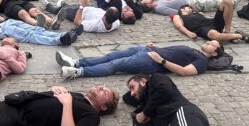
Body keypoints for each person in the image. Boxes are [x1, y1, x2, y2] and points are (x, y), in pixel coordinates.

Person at [57, 40, 225, 79]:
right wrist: (155, 46)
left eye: (212, 44)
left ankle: (78, 72)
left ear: (215, 53)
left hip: (152, 61)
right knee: (110, 56)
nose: (208, 42)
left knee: (116, 65)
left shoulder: (202, 62)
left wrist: (161, 61)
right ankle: (76, 62)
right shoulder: (195, 50)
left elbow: (184, 72)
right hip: (147, 50)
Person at [170, 0, 249, 45]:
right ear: (182, 10)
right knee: (214, 36)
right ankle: (239, 36)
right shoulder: (178, 16)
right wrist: (188, 33)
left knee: (227, 1)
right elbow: (179, 26)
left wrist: (200, 14)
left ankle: (228, 32)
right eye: (189, 8)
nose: (191, 9)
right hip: (203, 29)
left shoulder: (196, 13)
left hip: (212, 22)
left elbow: (205, 19)